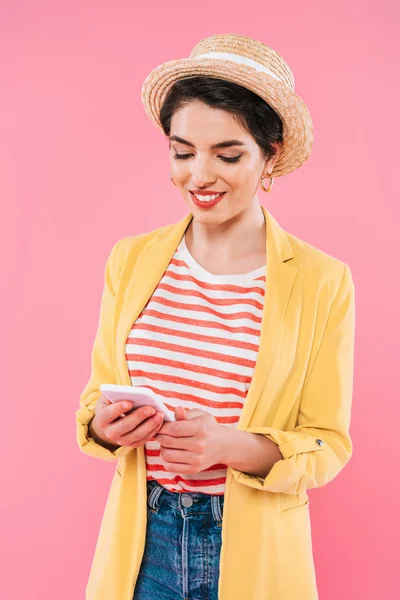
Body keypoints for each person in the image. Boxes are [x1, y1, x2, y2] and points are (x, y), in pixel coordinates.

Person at [76, 33, 356, 600]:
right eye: (183, 152)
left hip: (249, 548)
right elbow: (93, 402)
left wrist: (230, 446)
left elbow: (327, 444)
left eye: (228, 155)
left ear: (269, 154)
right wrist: (106, 427)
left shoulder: (323, 281)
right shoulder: (130, 260)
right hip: (144, 540)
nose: (199, 176)